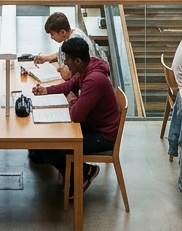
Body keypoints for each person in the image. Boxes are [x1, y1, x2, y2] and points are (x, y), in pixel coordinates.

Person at [30, 37, 119, 193]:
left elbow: (76, 115)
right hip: (94, 125)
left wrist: (72, 101)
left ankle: (84, 173)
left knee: (49, 146)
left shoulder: (94, 80)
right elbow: (70, 85)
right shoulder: (87, 66)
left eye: (67, 60)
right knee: (44, 142)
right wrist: (47, 90)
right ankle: (77, 172)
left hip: (102, 136)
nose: (64, 64)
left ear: (77, 60)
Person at [33, 12, 103, 80]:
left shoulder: (75, 40)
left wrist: (66, 72)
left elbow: (69, 74)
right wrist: (46, 58)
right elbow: (65, 54)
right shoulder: (72, 33)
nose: (51, 37)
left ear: (62, 32)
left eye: (52, 34)